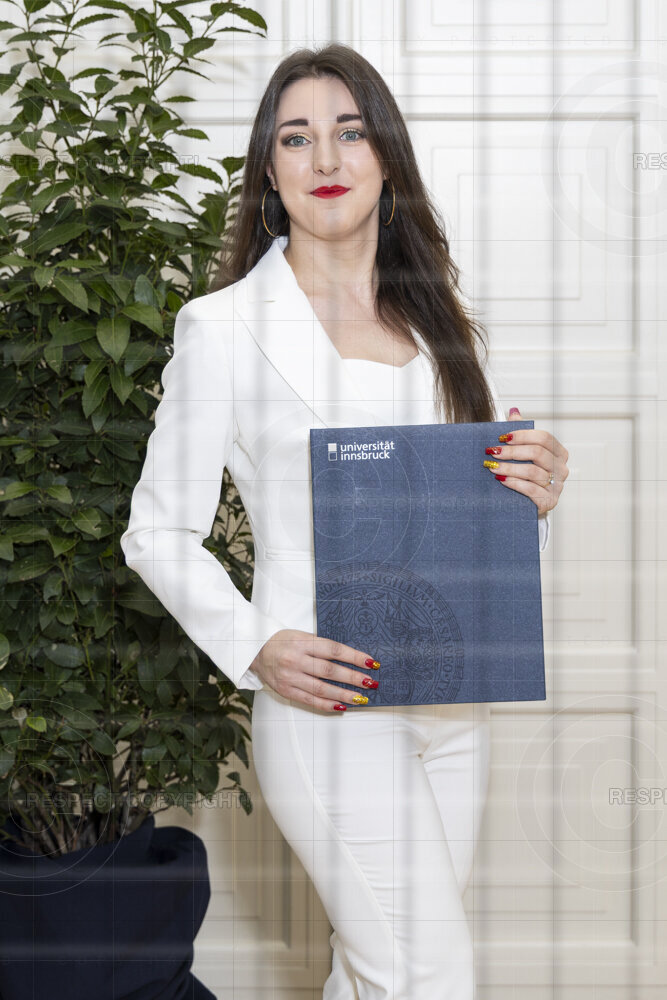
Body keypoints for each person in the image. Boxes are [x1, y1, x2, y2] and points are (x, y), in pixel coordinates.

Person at [120, 43, 569, 1000]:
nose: (324, 158)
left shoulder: (441, 327)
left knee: (376, 976)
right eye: (296, 138)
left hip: (452, 701)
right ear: (269, 171)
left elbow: (473, 530)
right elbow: (155, 531)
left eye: (349, 132)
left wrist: (531, 497)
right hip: (329, 711)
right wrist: (254, 645)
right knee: (427, 978)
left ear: (385, 157)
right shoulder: (223, 328)